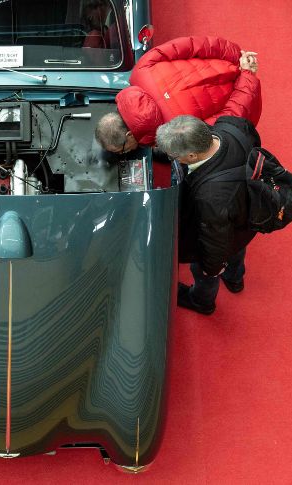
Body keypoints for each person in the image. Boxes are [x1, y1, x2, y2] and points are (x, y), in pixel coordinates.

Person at [154, 114, 261, 315]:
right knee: (237, 250)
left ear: (192, 156)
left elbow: (215, 239)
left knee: (205, 274)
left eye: (175, 156)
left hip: (224, 229)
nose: (174, 160)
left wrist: (211, 267)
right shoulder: (231, 125)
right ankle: (235, 279)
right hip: (246, 220)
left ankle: (202, 302)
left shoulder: (210, 196)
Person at [95, 36, 260, 153]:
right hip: (239, 74)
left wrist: (247, 77)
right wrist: (237, 56)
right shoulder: (140, 70)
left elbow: (231, 119)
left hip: (246, 93)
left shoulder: (177, 132)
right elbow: (192, 45)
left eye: (121, 150)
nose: (123, 154)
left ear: (129, 135)